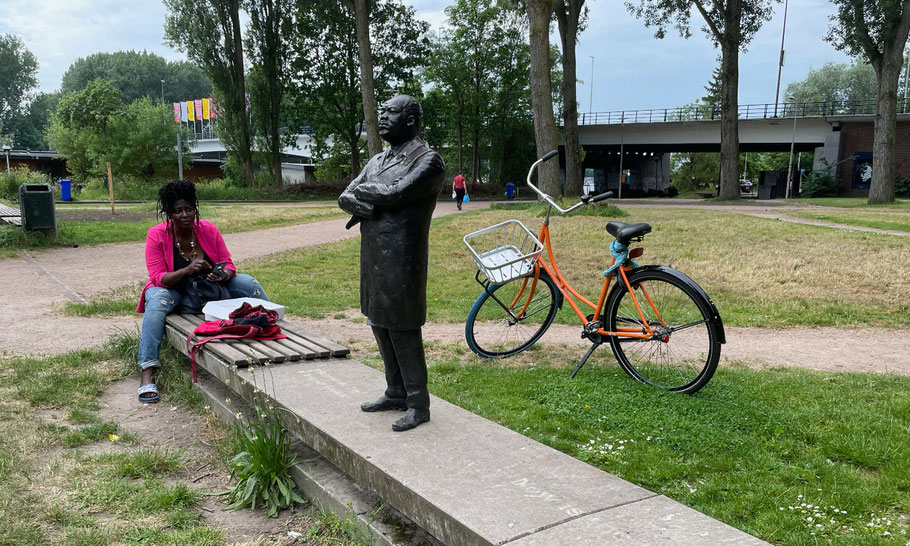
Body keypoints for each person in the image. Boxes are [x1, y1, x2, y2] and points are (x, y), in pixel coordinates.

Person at [338, 95, 444, 432]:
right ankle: (395, 391)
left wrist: (371, 198)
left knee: (403, 327)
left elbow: (396, 194)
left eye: (391, 112)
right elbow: (345, 196)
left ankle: (418, 402)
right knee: (379, 323)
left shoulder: (428, 161)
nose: (382, 117)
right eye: (381, 112)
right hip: (373, 258)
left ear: (411, 120)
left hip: (403, 260)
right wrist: (376, 200)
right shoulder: (376, 160)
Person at [136, 180, 268, 403]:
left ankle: (273, 327)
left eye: (189, 209)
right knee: (157, 301)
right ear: (169, 214)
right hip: (173, 289)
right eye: (178, 211)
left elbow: (227, 262)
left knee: (247, 283)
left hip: (208, 286)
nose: (184, 214)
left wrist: (223, 274)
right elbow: (158, 277)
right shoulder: (157, 234)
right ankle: (147, 371)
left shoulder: (207, 229)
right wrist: (187, 270)